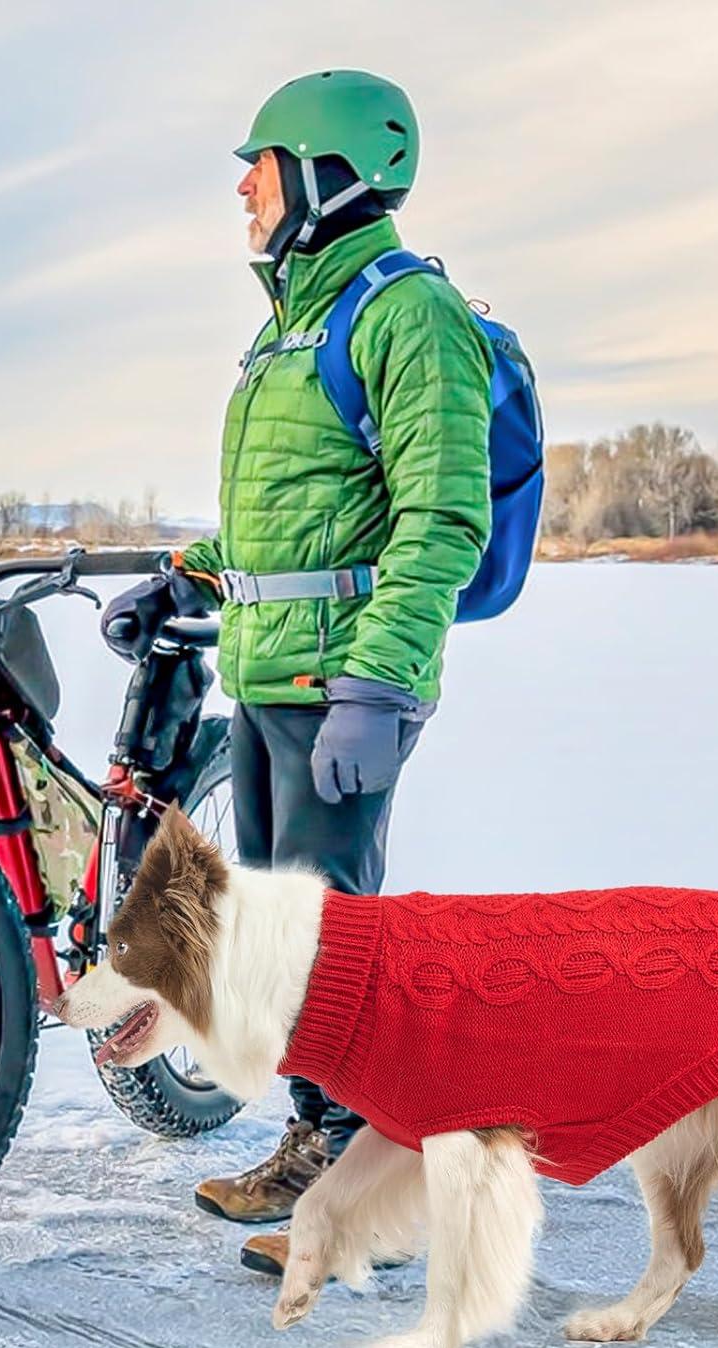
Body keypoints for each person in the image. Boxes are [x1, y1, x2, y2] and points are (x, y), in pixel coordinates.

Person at [100, 69, 492, 1275]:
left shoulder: (407, 313)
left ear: (325, 172)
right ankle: (323, 1138)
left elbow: (440, 520)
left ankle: (371, 1180)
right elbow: (292, 522)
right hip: (271, 672)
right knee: (287, 927)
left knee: (333, 933)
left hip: (344, 679)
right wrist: (188, 575)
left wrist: (380, 686)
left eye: (259, 166)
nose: (243, 187)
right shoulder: (293, 327)